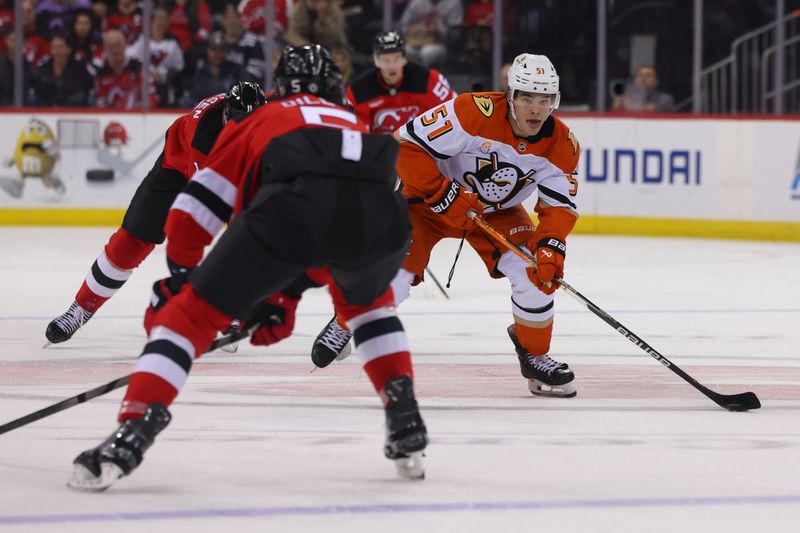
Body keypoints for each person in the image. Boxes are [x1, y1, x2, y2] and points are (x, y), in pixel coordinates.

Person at [66, 45, 427, 491]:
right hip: (384, 219)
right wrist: (288, 293)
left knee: (186, 319)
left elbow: (196, 211)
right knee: (371, 310)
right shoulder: (352, 118)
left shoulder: (264, 116)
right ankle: (405, 418)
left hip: (294, 213)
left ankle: (133, 429)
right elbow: (341, 219)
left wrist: (184, 281)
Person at [312, 53, 581, 398]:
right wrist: (442, 193)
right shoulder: (471, 112)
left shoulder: (564, 145)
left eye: (544, 100)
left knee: (537, 272)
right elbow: (405, 145)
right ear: (510, 95)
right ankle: (344, 321)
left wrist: (551, 245)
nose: (535, 109)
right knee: (392, 282)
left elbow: (559, 206)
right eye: (527, 98)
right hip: (427, 204)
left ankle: (534, 355)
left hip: (495, 213)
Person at [45, 81, 266, 345]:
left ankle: (230, 306)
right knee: (133, 240)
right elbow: (205, 204)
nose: (244, 130)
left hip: (222, 173)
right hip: (176, 170)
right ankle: (81, 308)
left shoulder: (262, 122)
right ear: (227, 113)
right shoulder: (204, 137)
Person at [344, 31, 455, 135]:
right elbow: (356, 134)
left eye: (396, 59)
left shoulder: (429, 80)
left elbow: (453, 111)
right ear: (376, 61)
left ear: (404, 58)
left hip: (421, 149)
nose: (392, 66)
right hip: (382, 152)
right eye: (386, 60)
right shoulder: (358, 91)